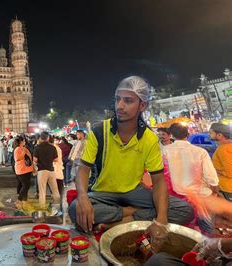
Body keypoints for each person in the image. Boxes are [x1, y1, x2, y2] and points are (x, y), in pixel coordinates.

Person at [68, 76, 194, 252]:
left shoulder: (149, 138)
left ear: (142, 106)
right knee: (75, 209)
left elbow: (158, 181)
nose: (120, 106)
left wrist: (162, 220)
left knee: (185, 210)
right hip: (103, 192)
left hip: (135, 191)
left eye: (128, 101)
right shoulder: (99, 130)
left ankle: (119, 220)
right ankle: (129, 213)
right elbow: (83, 169)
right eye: (118, 99)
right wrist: (82, 196)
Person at [163, 123, 219, 235]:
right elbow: (212, 178)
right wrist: (215, 192)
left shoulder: (164, 151)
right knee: (207, 231)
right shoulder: (200, 152)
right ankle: (208, 251)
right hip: (201, 197)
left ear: (172, 135)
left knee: (182, 233)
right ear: (188, 134)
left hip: (176, 201)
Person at [33, 131, 61, 210]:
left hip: (41, 171)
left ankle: (42, 209)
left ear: (40, 138)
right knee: (55, 190)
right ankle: (58, 207)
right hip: (51, 170)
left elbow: (35, 160)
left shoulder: (37, 147)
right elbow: (56, 159)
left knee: (42, 192)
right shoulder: (53, 147)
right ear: (48, 138)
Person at [209, 122, 232, 201]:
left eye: (211, 133)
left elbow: (230, 172)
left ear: (219, 135)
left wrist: (216, 171)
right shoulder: (226, 147)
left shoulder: (224, 149)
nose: (209, 135)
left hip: (228, 188)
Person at [13, 136, 34, 210]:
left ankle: (24, 201)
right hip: (21, 170)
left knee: (26, 186)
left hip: (27, 169)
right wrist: (23, 152)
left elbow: (30, 158)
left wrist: (33, 168)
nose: (25, 142)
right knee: (25, 186)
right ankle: (19, 200)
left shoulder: (25, 148)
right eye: (24, 141)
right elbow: (17, 159)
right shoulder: (17, 149)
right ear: (21, 142)